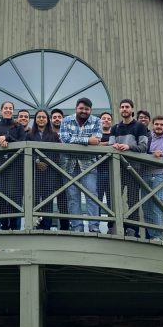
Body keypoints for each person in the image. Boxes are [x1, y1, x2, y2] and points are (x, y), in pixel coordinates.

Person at [59, 97, 103, 233]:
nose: (84, 111)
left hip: (88, 165)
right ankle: (77, 227)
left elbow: (97, 140)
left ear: (90, 110)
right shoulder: (66, 120)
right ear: (76, 108)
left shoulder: (96, 121)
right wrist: (87, 140)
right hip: (69, 165)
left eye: (87, 109)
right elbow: (64, 139)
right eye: (81, 108)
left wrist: (78, 140)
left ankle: (94, 226)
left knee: (92, 195)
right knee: (73, 197)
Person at [0, 101, 26, 230]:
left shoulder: (18, 127)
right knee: (0, 197)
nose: (8, 110)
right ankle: (3, 227)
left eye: (10, 108)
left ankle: (15, 228)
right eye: (5, 108)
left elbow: (23, 143)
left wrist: (8, 138)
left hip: (14, 168)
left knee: (14, 197)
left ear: (13, 111)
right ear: (1, 111)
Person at [109, 99, 149, 237]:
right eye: (122, 107)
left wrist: (129, 147)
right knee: (113, 199)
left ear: (132, 109)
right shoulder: (114, 128)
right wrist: (114, 146)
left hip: (134, 168)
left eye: (127, 107)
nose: (124, 109)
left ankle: (133, 229)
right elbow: (110, 146)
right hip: (116, 168)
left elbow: (144, 148)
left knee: (132, 200)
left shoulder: (140, 127)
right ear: (119, 110)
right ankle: (113, 227)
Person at [27, 109, 61, 230]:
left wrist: (46, 162)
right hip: (34, 172)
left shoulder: (54, 135)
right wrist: (37, 162)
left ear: (48, 120)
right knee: (34, 198)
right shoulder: (29, 135)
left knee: (48, 199)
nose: (41, 119)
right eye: (39, 117)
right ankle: (34, 224)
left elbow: (57, 153)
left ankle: (46, 226)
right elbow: (26, 153)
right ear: (35, 120)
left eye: (43, 117)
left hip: (50, 172)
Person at [50, 108, 70, 230]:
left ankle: (65, 227)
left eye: (59, 117)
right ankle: (43, 224)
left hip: (65, 169)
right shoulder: (47, 133)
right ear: (51, 120)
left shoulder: (68, 133)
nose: (57, 119)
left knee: (64, 199)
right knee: (46, 198)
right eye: (54, 117)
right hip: (49, 170)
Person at [96, 112, 113, 217]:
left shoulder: (114, 134)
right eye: (104, 118)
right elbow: (92, 145)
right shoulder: (95, 134)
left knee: (112, 200)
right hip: (97, 171)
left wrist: (100, 145)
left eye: (109, 119)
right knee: (97, 200)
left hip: (112, 171)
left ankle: (112, 227)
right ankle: (95, 225)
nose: (106, 120)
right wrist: (108, 144)